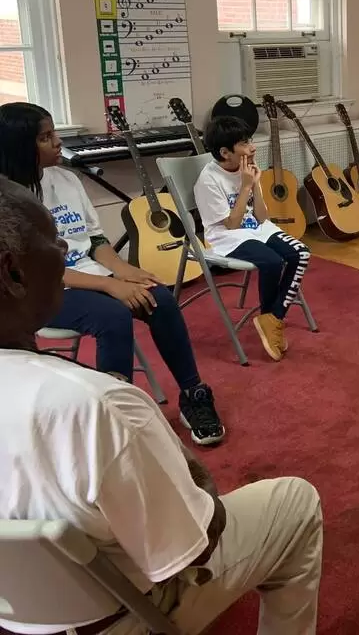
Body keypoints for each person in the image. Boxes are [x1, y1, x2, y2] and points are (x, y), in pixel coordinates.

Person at [0, 176, 323, 635]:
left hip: (25, 614)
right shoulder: (99, 405)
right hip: (122, 613)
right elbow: (198, 542)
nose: (64, 251)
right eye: (54, 240)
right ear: (13, 273)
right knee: (297, 501)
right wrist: (177, 455)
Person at [0, 102, 225, 446]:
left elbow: (95, 240)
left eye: (54, 132)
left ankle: (193, 393)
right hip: (40, 290)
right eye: (45, 137)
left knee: (159, 297)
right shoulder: (8, 201)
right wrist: (108, 284)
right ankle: (116, 419)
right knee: (114, 317)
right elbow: (28, 271)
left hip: (90, 272)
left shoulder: (67, 179)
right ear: (18, 146)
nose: (58, 142)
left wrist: (124, 270)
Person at [194, 115, 311, 362]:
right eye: (244, 143)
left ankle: (272, 317)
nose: (252, 147)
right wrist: (246, 186)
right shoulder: (208, 180)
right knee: (272, 262)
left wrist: (256, 184)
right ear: (226, 152)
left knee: (300, 253)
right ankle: (272, 318)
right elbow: (232, 224)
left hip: (256, 229)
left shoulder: (246, 170)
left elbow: (261, 216)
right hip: (228, 237)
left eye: (250, 140)